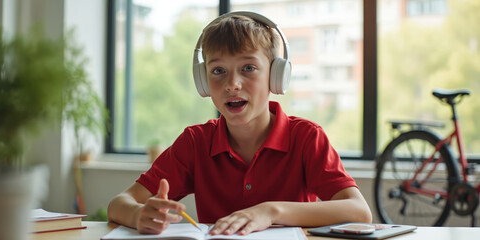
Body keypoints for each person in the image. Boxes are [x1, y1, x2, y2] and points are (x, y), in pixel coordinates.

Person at [107, 11, 372, 236]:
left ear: (276, 76)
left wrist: (270, 211)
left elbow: (359, 212)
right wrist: (139, 214)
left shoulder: (306, 137)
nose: (232, 84)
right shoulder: (195, 142)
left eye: (248, 68)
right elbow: (119, 204)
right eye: (218, 71)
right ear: (203, 81)